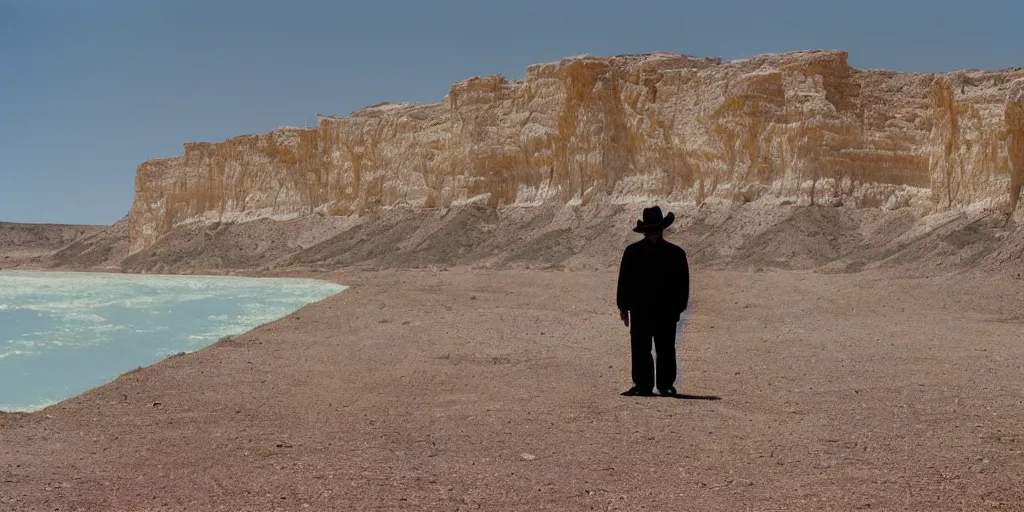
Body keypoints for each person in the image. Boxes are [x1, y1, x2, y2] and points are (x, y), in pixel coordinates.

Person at [616, 206, 690, 397]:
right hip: (650, 311)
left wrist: (677, 309)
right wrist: (623, 307)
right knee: (650, 349)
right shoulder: (674, 254)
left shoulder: (635, 252)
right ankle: (650, 385)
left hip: (657, 311)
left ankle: (654, 385)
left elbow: (682, 287)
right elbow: (624, 282)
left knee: (657, 349)